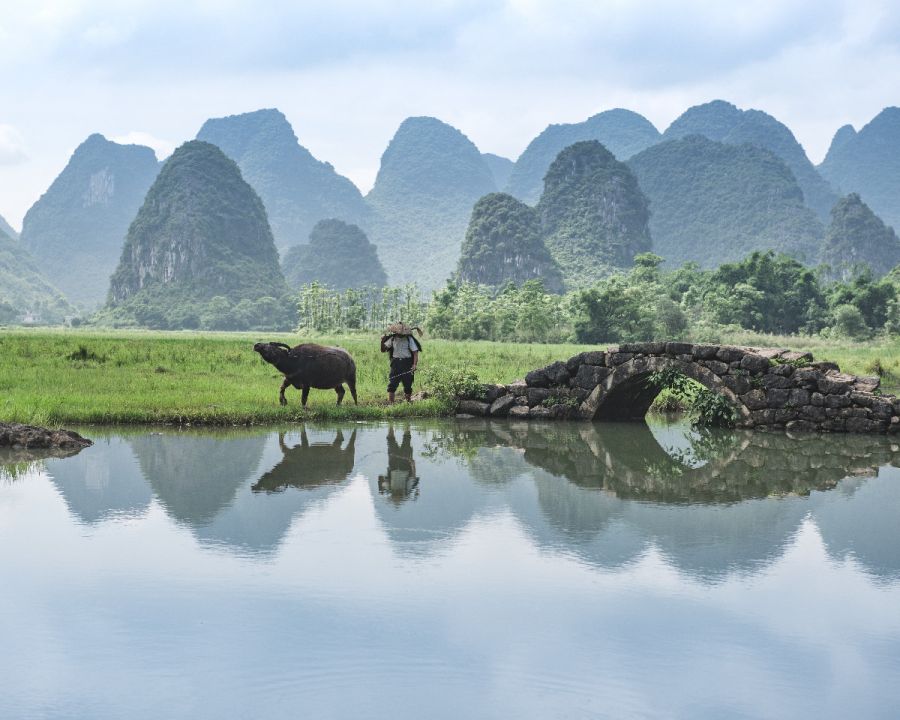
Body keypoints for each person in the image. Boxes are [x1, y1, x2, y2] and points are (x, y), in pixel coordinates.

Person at [380, 322, 422, 403]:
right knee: (392, 384)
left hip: (407, 363)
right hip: (395, 363)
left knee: (408, 384)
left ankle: (408, 402)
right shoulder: (392, 338)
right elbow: (383, 350)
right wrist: (382, 341)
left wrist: (414, 365)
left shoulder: (409, 339)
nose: (400, 335)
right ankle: (391, 403)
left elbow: (415, 353)